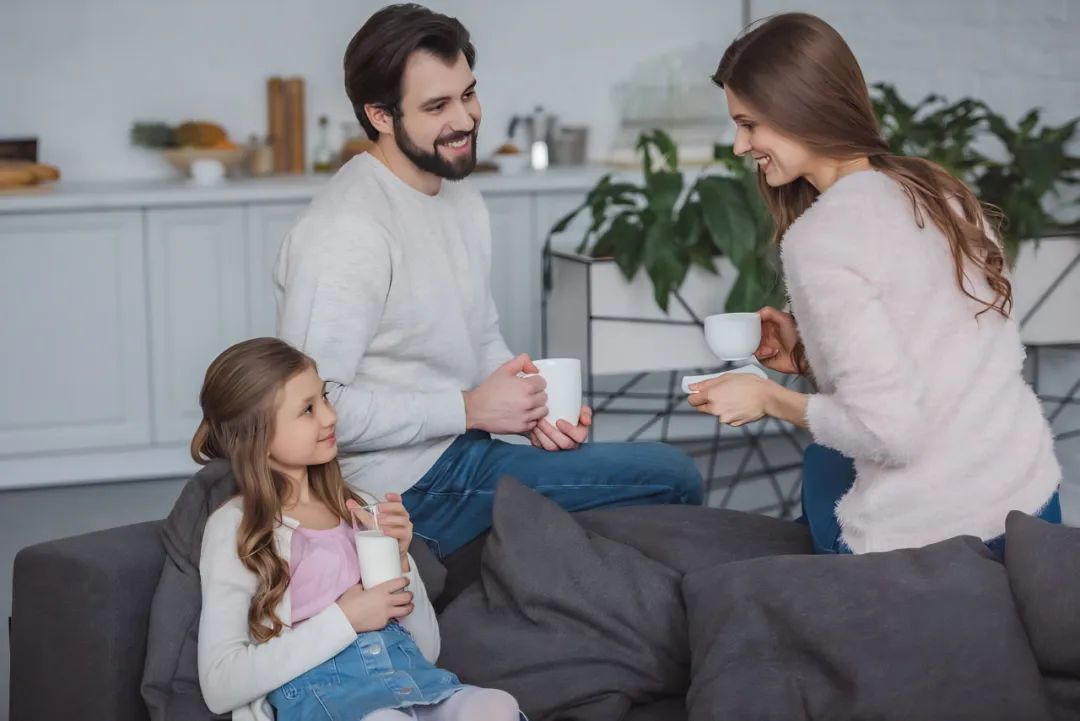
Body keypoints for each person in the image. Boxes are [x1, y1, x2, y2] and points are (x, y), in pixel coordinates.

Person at [275, 3, 703, 559]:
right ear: (380, 115)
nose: (466, 120)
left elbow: (479, 341)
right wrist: (472, 409)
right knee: (674, 476)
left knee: (642, 474)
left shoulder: (458, 193)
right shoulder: (346, 232)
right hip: (400, 488)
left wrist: (533, 412)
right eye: (437, 106)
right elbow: (308, 409)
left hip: (466, 448)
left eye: (468, 94)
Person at [689, 12, 1061, 555]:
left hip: (935, 539)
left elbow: (889, 434)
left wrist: (768, 398)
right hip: (1029, 508)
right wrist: (812, 358)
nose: (741, 146)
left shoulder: (822, 237)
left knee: (824, 460)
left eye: (749, 124)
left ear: (801, 110)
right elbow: (944, 362)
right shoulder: (936, 190)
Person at [194, 337, 520, 721]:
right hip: (323, 695)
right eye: (307, 410)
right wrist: (345, 619)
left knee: (497, 706)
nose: (330, 417)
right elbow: (219, 685)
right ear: (258, 437)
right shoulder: (237, 527)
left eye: (325, 398)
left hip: (409, 678)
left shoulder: (360, 507)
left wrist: (401, 560)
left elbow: (427, 649)